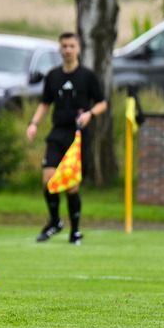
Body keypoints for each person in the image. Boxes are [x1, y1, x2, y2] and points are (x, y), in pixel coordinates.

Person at [26, 32, 107, 245]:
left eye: (72, 46)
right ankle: (55, 222)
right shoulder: (53, 76)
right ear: (60, 49)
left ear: (78, 48)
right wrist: (34, 123)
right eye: (64, 46)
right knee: (48, 181)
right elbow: (45, 103)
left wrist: (90, 114)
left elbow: (102, 103)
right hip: (57, 133)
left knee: (71, 186)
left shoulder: (87, 76)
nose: (68, 50)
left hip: (78, 136)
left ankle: (75, 232)